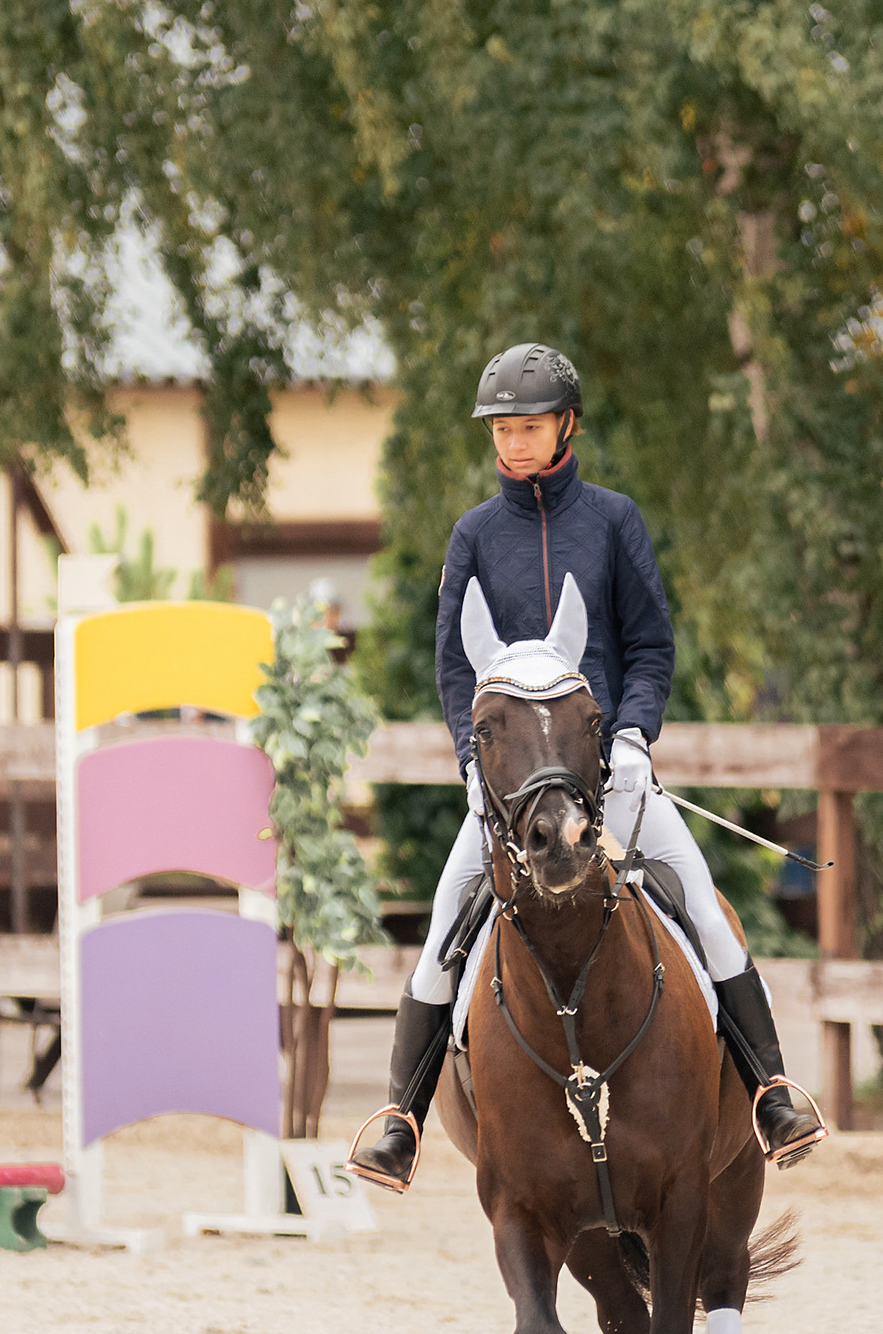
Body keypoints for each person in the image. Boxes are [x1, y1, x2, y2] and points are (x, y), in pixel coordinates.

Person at [346, 342, 826, 1193]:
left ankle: (772, 1092)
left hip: (611, 778)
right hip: (510, 792)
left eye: (529, 428)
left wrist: (635, 737)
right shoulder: (474, 537)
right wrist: (471, 759)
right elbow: (458, 670)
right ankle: (400, 1119)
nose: (513, 445)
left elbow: (648, 646)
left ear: (565, 425)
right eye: (502, 430)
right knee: (442, 936)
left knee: (703, 911)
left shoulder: (612, 521)